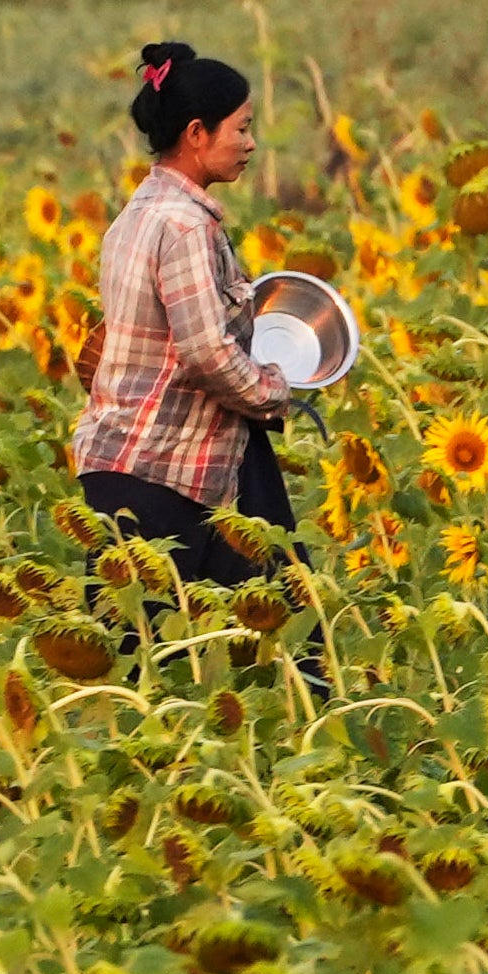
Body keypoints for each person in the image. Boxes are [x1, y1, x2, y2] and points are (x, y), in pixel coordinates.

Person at [72, 39, 302, 587]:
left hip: (128, 459)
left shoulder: (139, 211)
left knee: (151, 646)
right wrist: (275, 391)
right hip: (168, 470)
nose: (250, 144)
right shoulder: (186, 226)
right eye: (241, 128)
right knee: (272, 637)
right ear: (197, 134)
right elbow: (205, 352)